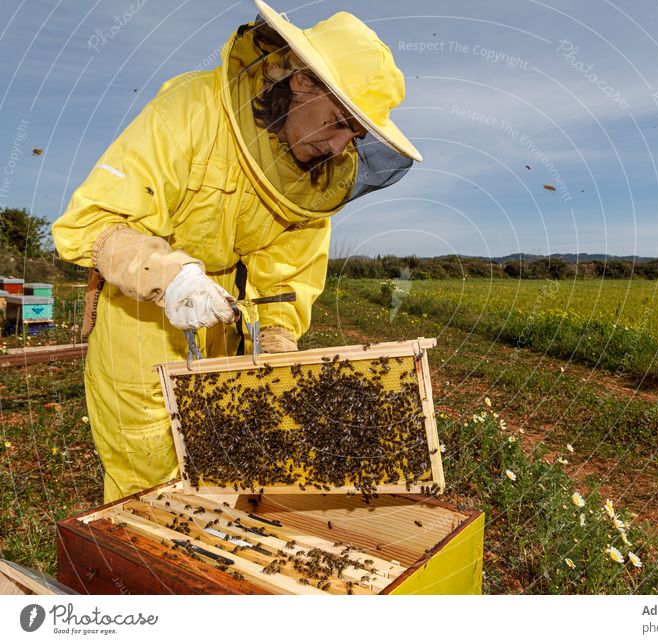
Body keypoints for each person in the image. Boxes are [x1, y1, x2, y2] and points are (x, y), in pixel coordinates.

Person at [52, 0, 421, 503]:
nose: (340, 148)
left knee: (220, 465)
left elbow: (287, 278)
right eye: (337, 123)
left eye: (353, 135)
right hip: (140, 313)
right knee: (149, 480)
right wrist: (170, 275)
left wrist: (276, 342)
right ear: (302, 81)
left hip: (225, 314)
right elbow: (94, 224)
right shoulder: (192, 109)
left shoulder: (315, 180)